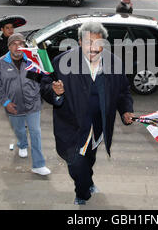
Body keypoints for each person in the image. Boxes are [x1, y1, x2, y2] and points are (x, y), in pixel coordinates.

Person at [40, 22, 134, 205]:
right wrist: (55, 92)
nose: (94, 48)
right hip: (71, 128)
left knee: (89, 158)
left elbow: (123, 91)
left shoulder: (115, 63)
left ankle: (87, 182)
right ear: (79, 42)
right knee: (75, 164)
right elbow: (44, 86)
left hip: (98, 126)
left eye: (98, 43)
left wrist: (125, 110)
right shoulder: (61, 62)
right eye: (88, 42)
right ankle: (82, 192)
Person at [0, 33, 51, 176]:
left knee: (35, 133)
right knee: (19, 130)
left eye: (21, 44)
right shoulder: (1, 63)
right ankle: (22, 144)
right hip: (14, 106)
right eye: (14, 44)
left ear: (25, 46)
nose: (18, 47)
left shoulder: (32, 60)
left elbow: (44, 78)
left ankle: (38, 165)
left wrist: (43, 59)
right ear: (9, 47)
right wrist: (6, 103)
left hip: (33, 105)